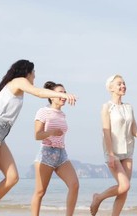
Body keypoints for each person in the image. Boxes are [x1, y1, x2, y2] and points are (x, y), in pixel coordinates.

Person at [0, 60, 77, 216]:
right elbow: (39, 93)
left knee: (12, 177)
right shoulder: (18, 81)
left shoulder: (16, 87)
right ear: (27, 72)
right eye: (33, 73)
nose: (34, 77)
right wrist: (64, 94)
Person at [90, 74, 137, 216]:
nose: (123, 86)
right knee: (124, 185)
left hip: (128, 151)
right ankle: (98, 198)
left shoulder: (129, 107)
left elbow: (135, 131)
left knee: (124, 191)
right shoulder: (106, 107)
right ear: (111, 88)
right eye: (119, 84)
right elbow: (106, 131)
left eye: (124, 83)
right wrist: (111, 154)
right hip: (112, 151)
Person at [31, 81, 79, 216]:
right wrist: (51, 132)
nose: (63, 95)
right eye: (60, 93)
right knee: (40, 192)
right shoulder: (43, 112)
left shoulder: (62, 114)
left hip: (61, 154)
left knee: (74, 185)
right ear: (51, 96)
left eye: (65, 93)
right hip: (46, 153)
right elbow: (37, 135)